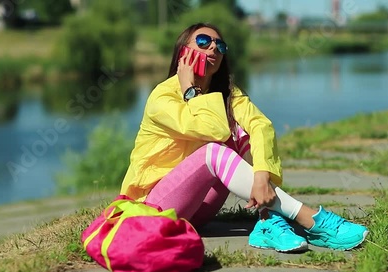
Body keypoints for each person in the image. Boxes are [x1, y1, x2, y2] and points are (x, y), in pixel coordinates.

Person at [119, 22, 368, 252]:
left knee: (241, 135)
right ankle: (312, 220)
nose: (214, 47)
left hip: (196, 211)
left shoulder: (227, 94)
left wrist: (261, 175)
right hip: (152, 209)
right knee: (216, 148)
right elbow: (212, 129)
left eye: (220, 45)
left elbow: (261, 126)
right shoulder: (162, 97)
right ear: (183, 52)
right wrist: (189, 89)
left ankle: (268, 221)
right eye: (204, 41)